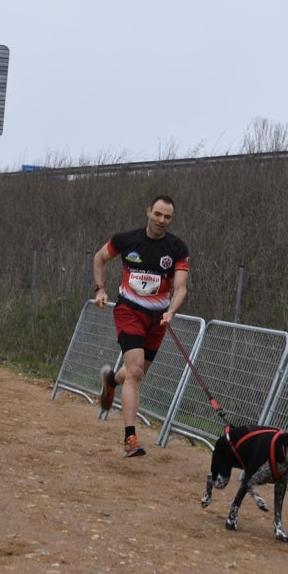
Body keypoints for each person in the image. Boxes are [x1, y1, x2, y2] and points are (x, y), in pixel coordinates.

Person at [92, 194, 189, 457]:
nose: (162, 220)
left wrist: (171, 311)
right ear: (148, 212)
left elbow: (180, 288)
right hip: (129, 311)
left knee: (135, 374)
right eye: (158, 214)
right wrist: (100, 289)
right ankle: (130, 438)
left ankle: (111, 381)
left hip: (158, 318)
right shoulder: (126, 239)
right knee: (134, 371)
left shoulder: (177, 248)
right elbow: (100, 258)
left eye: (167, 217)